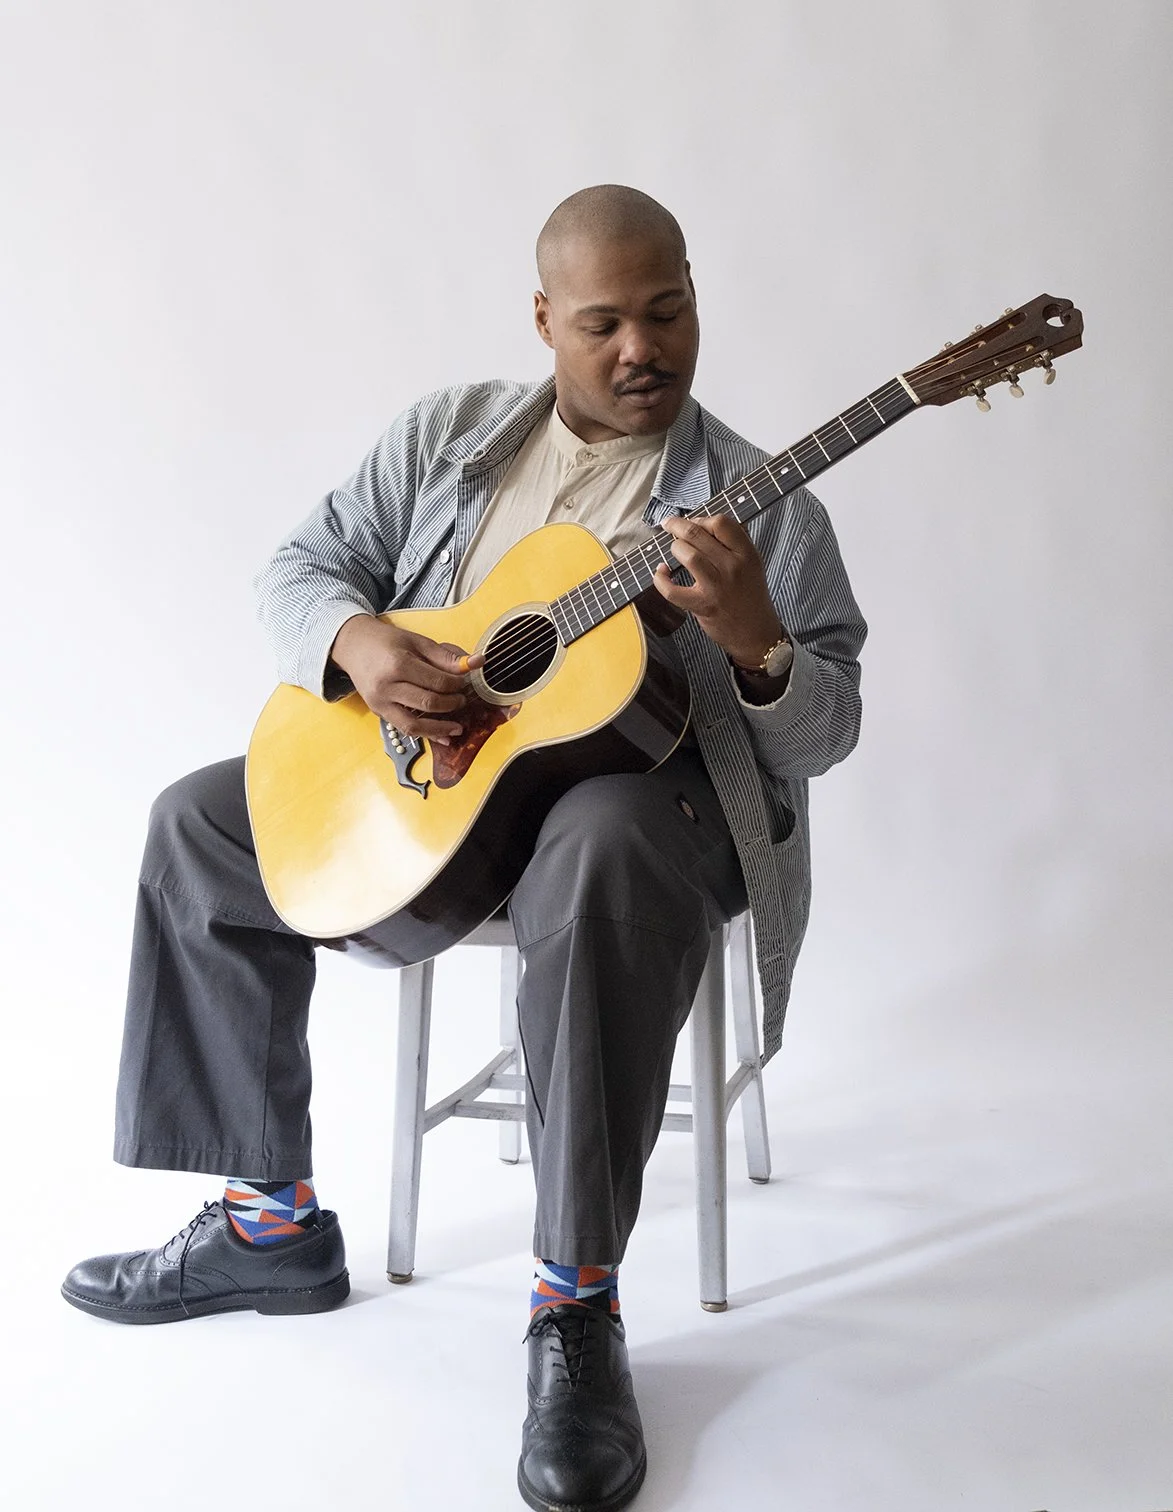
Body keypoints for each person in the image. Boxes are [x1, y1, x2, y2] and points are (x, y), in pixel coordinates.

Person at [61, 185, 866, 1512]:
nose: (641, 350)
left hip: (655, 819)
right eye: (603, 323)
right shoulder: (449, 438)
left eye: (667, 313)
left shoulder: (762, 507)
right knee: (196, 826)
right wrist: (359, 644)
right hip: (454, 802)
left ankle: (575, 1308)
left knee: (599, 844)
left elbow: (824, 734)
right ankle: (268, 1224)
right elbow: (300, 567)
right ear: (545, 321)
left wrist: (755, 639)